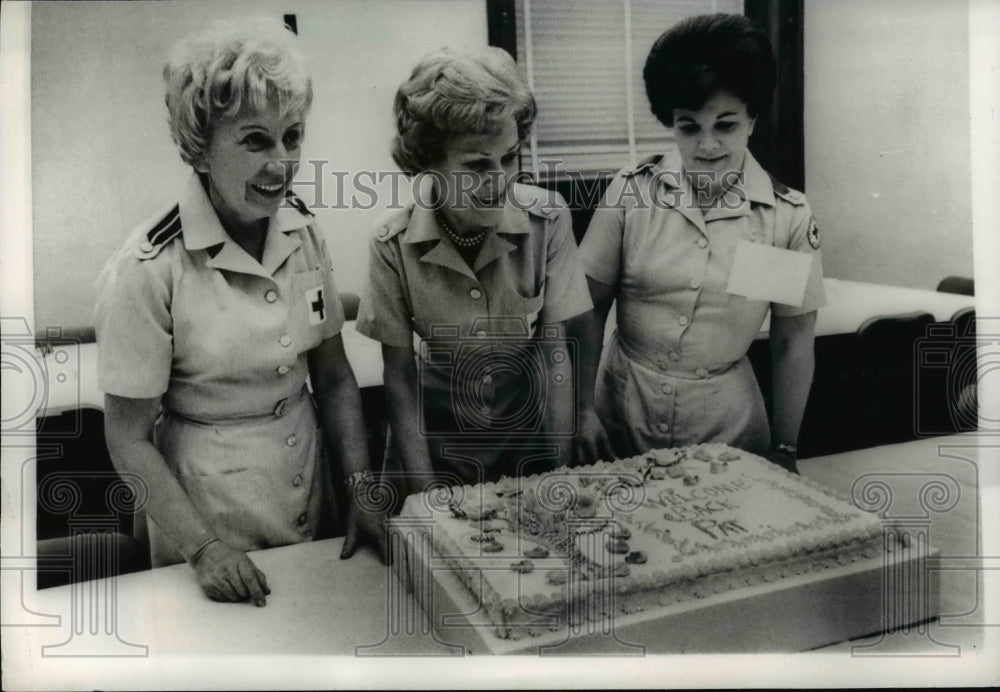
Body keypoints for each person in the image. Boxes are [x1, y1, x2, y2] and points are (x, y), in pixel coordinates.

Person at [95, 17, 380, 606]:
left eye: (292, 136)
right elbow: (126, 439)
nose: (281, 162)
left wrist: (359, 489)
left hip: (307, 481)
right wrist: (203, 549)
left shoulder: (304, 234)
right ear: (201, 146)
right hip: (206, 515)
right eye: (255, 140)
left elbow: (333, 375)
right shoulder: (149, 267)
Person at [573, 14, 824, 473]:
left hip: (727, 429)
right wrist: (580, 411)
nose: (707, 145)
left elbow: (792, 341)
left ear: (752, 118)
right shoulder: (632, 193)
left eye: (725, 125)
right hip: (621, 415)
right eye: (689, 127)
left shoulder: (783, 217)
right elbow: (588, 309)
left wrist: (785, 448)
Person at [356, 47, 592, 496]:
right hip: (430, 449)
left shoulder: (549, 220)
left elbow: (554, 350)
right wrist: (426, 496)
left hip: (524, 445)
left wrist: (559, 470)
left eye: (509, 158)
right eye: (476, 165)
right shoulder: (390, 242)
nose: (499, 179)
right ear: (429, 163)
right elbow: (400, 379)